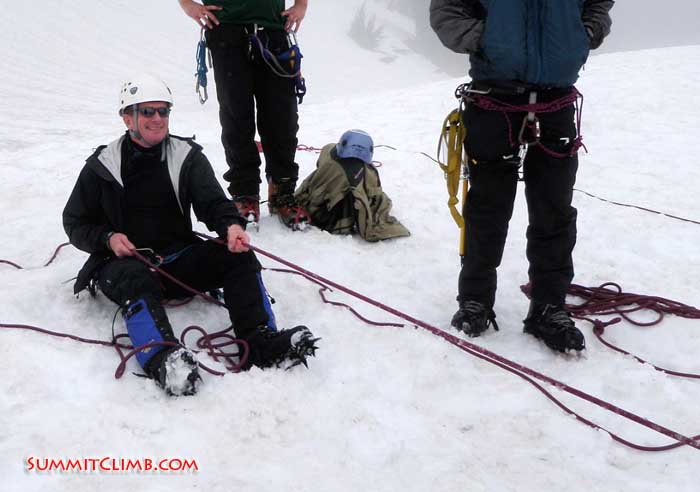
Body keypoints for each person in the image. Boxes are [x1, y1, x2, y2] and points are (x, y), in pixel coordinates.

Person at [62, 74, 318, 396]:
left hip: (176, 257)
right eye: (147, 112)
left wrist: (231, 227)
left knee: (238, 256)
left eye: (163, 111)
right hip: (122, 263)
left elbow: (213, 203)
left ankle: (260, 343)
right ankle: (164, 360)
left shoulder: (186, 156)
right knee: (136, 280)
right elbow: (75, 221)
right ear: (128, 117)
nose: (157, 118)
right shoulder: (102, 164)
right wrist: (107, 239)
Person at [430, 1, 614, 352]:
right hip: (494, 96)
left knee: (554, 210)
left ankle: (549, 306)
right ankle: (476, 300)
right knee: (488, 206)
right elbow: (446, 7)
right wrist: (486, 39)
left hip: (555, 99)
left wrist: (585, 33)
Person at [178, 0, 310, 230]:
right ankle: (244, 193)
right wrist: (188, 5)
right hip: (227, 32)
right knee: (236, 117)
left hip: (273, 31)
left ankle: (282, 191)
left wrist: (301, 5)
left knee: (282, 118)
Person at [294, 129, 411, 241]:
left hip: (309, 200)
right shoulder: (362, 173)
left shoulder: (328, 149)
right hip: (328, 216)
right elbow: (367, 201)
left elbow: (319, 165)